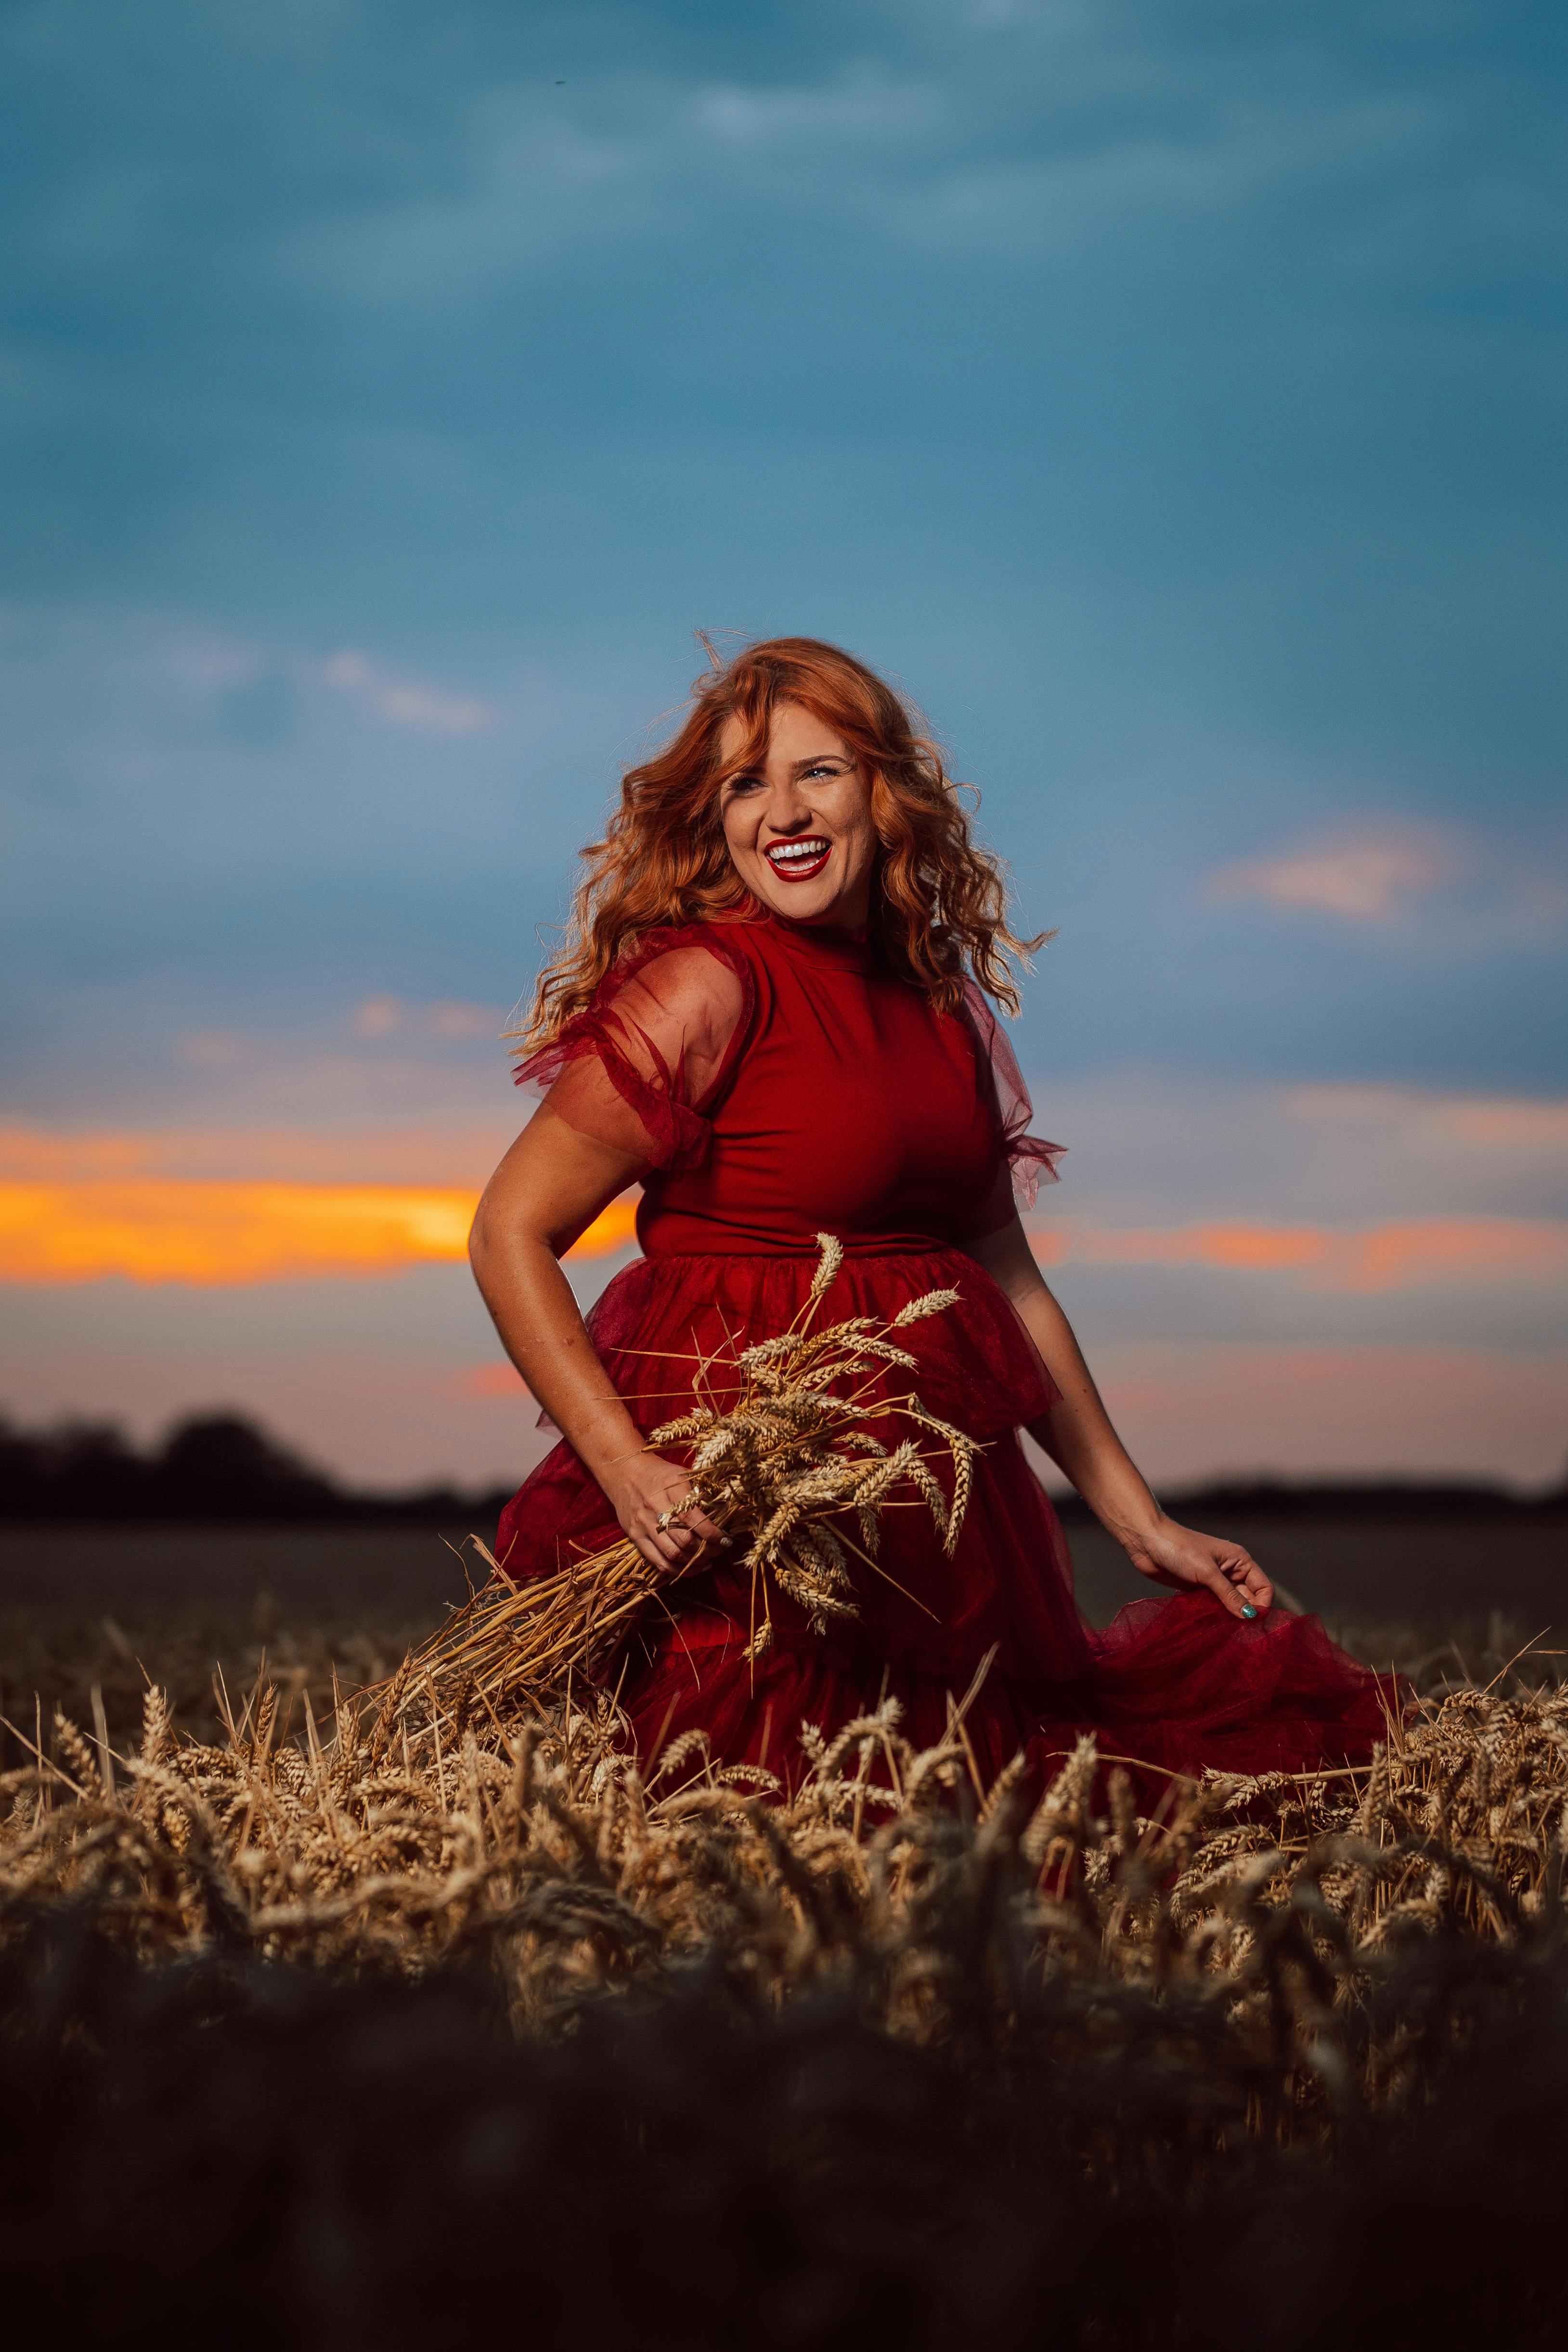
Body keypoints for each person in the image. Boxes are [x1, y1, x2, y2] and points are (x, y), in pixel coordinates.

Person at [469, 636, 1393, 1798]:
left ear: (883, 790)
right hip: (746, 1498)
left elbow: (1003, 1279)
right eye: (746, 783)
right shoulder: (704, 985)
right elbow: (508, 1231)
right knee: (757, 1808)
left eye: (819, 771)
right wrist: (627, 1468)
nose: (782, 812)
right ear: (714, 819)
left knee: (985, 1812)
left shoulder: (938, 1000)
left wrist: (1138, 1518)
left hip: (927, 1515)